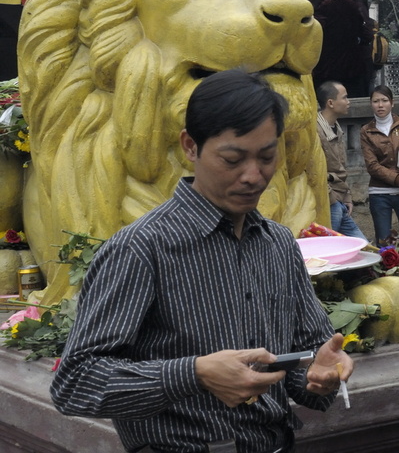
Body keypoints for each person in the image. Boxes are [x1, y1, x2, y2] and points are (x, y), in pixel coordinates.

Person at [50, 69, 353, 453]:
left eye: (267, 157)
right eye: (232, 159)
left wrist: (319, 373)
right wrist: (194, 374)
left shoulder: (278, 243)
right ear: (190, 147)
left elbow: (303, 362)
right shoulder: (142, 248)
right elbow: (75, 383)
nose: (253, 176)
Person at [303, 0, 373, 97]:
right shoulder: (352, 5)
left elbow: (312, 34)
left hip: (328, 70)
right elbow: (366, 35)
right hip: (354, 69)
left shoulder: (323, 8)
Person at [316, 81, 367, 240]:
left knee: (363, 247)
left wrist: (347, 196)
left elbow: (341, 168)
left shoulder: (336, 127)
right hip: (328, 202)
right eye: (344, 98)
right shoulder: (315, 131)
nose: (348, 101)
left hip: (339, 201)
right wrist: (332, 199)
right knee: (329, 252)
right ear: (330, 103)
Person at [360, 85, 399, 246]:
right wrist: (396, 179)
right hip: (379, 192)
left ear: (392, 103)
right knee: (384, 243)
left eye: (384, 100)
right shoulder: (366, 131)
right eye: (376, 101)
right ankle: (388, 271)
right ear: (371, 104)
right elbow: (372, 166)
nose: (380, 105)